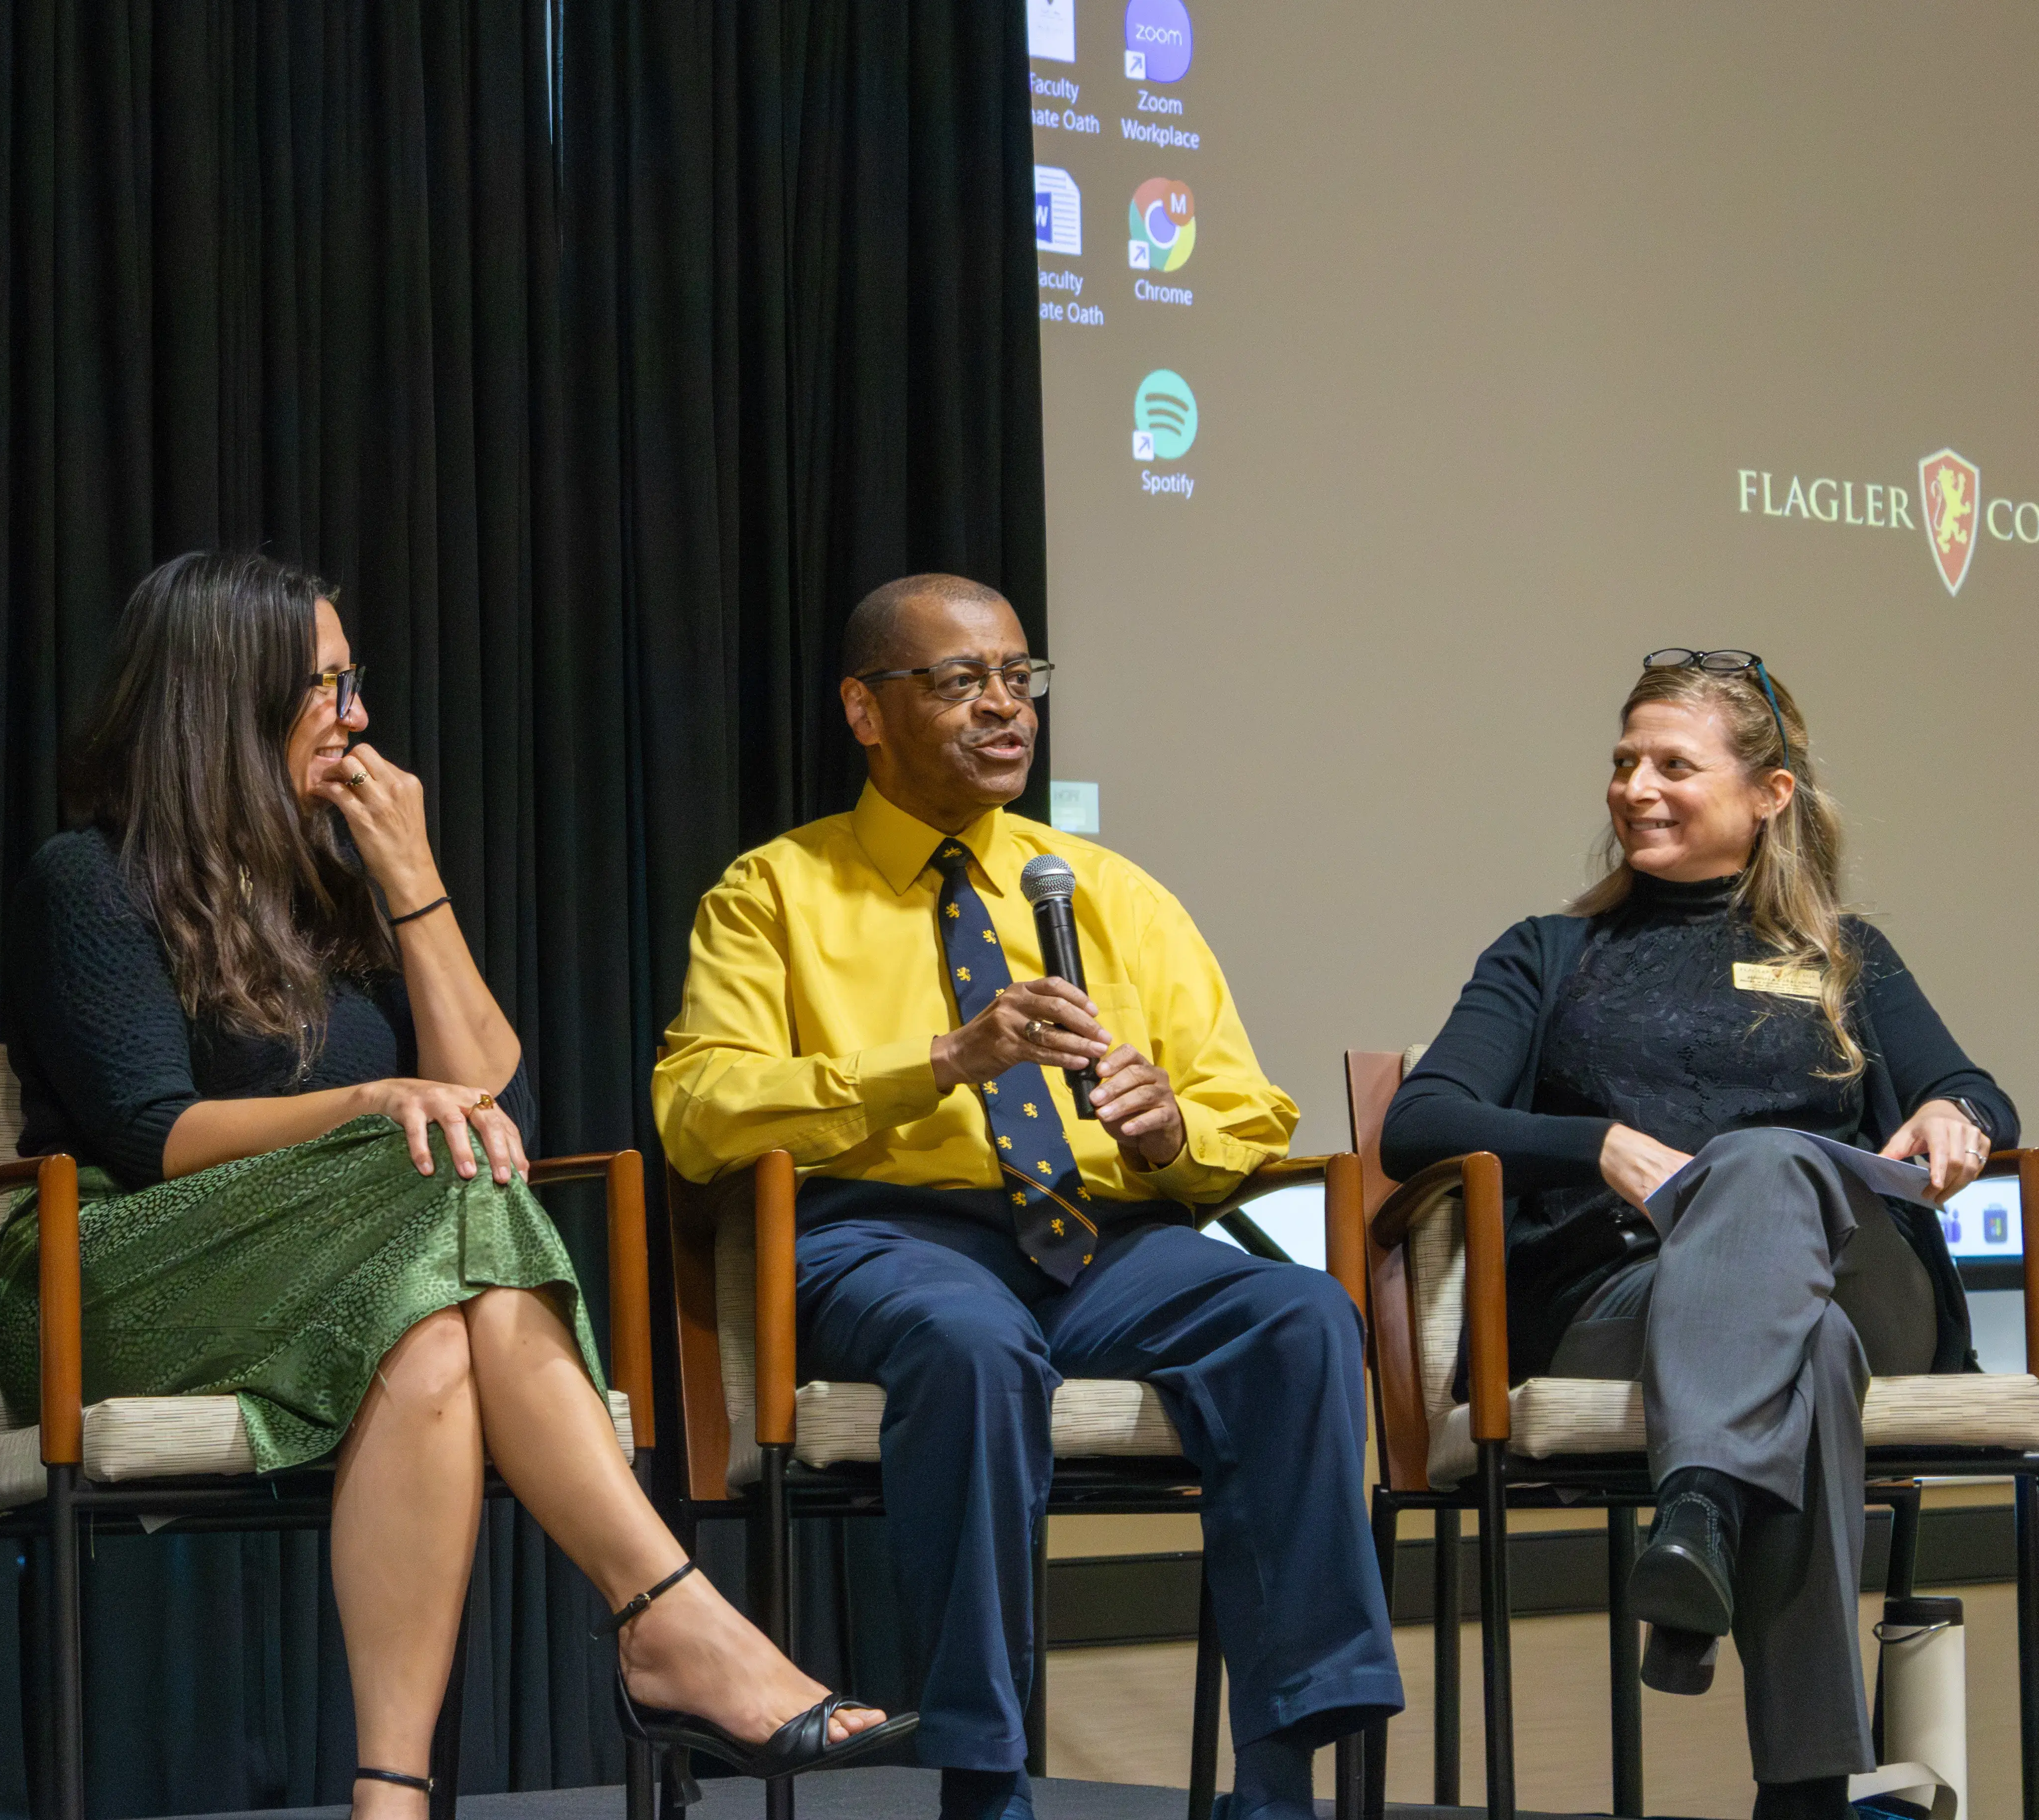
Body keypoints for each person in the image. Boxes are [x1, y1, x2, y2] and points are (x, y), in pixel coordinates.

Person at [0, 550, 910, 1814]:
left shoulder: (329, 891)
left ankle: (393, 1797)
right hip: (123, 1275)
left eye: (352, 680)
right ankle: (669, 1617)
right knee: (443, 1189)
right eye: (325, 686)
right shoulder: (88, 881)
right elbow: (151, 1130)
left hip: (356, 1276)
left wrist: (413, 883)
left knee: (432, 1328)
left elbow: (488, 1102)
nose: (357, 714)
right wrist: (376, 1100)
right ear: (226, 699)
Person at [654, 574, 1400, 1820]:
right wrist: (940, 1061)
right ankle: (985, 1775)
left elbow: (1244, 1111)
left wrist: (1172, 1131)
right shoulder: (773, 893)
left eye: (1020, 679)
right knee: (972, 1341)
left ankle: (1276, 1780)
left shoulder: (1108, 893)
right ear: (865, 709)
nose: (1005, 709)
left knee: (1299, 1320)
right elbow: (700, 1111)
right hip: (886, 1237)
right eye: (960, 682)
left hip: (1109, 1243)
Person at [1383, 649, 2014, 1820]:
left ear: (1769, 795)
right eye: (1624, 763)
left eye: (1674, 764)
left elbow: (1979, 1094)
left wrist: (1952, 1109)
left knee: (1769, 1165)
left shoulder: (1842, 960)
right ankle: (1808, 1787)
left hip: (1866, 1288)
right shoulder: (1549, 955)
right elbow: (1423, 1121)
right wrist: (1597, 1146)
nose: (1634, 788)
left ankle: (1700, 1512)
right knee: (1802, 1358)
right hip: (1628, 1308)